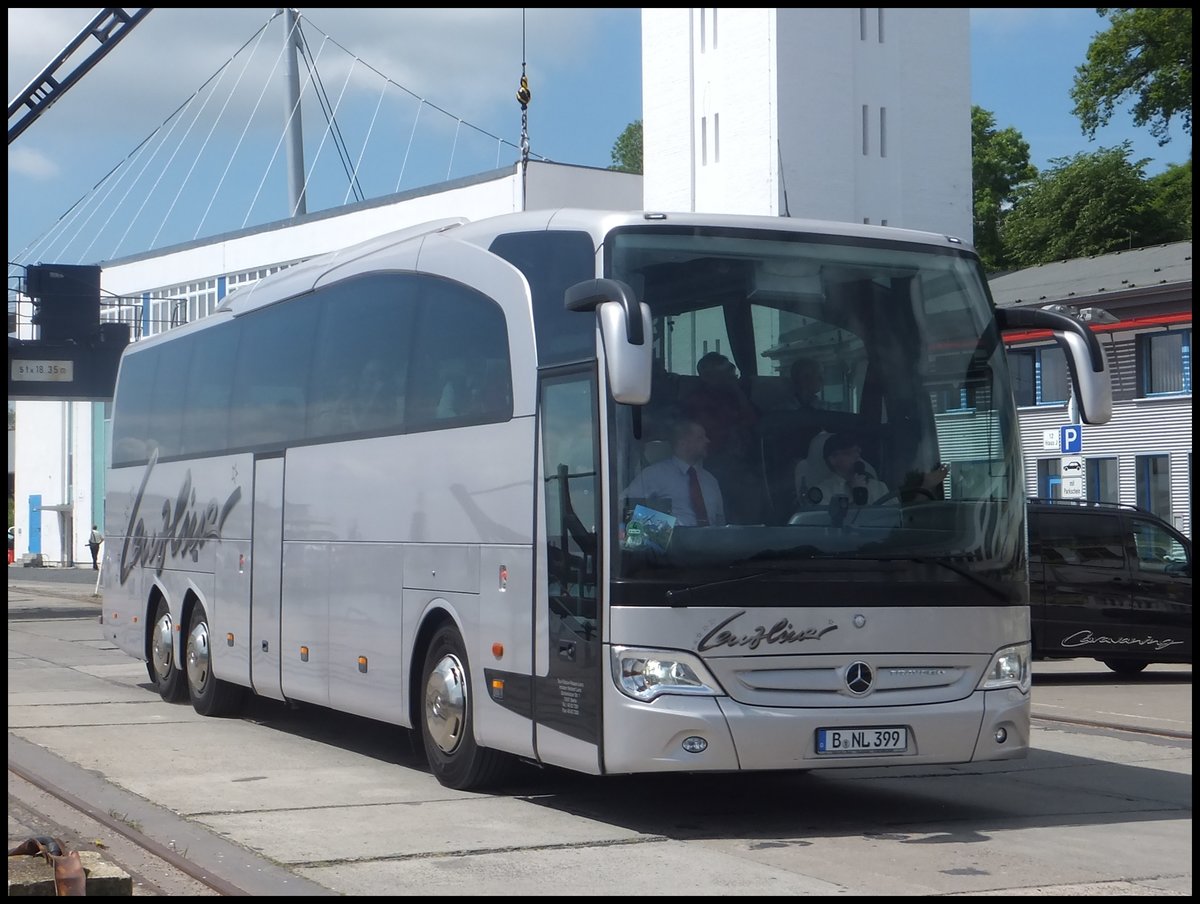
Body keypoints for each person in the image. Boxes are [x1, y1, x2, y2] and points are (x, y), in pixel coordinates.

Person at [621, 419, 726, 527]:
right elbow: (623, 506)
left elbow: (720, 523)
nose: (707, 441)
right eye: (700, 438)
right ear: (683, 443)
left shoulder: (711, 481)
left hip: (710, 543)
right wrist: (665, 529)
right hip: (674, 543)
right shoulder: (654, 474)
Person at [804, 432, 948, 509]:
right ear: (833, 459)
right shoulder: (821, 493)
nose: (856, 456)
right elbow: (827, 533)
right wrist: (857, 496)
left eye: (857, 452)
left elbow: (896, 524)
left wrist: (925, 487)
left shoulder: (878, 487)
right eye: (849, 453)